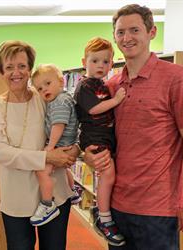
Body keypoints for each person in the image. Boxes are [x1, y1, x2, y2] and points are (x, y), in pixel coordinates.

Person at [84, 4, 183, 250]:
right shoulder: (112, 85)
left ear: (152, 32)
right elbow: (101, 132)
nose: (126, 38)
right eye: (120, 32)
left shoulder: (177, 78)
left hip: (157, 209)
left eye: (134, 30)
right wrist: (88, 155)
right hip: (117, 206)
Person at [0, 40, 77, 250]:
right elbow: (1, 153)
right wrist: (47, 158)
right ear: (0, 71)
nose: (17, 72)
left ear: (30, 68)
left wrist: (74, 151)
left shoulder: (44, 97)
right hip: (16, 197)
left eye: (22, 66)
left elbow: (70, 124)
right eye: (9, 67)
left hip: (55, 192)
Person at [73, 37, 126, 246]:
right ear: (84, 61)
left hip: (104, 136)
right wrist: (116, 101)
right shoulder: (84, 86)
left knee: (109, 176)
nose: (100, 66)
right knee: (108, 176)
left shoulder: (102, 84)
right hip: (94, 138)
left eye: (105, 62)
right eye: (94, 61)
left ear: (111, 64)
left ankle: (101, 210)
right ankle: (104, 218)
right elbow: (94, 109)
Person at [29, 64, 80, 227]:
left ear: (61, 81)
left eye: (48, 83)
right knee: (63, 170)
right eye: (40, 88)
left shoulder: (59, 102)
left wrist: (50, 147)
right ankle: (73, 193)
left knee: (42, 172)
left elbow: (58, 125)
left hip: (60, 143)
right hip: (67, 142)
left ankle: (47, 204)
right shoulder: (63, 98)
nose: (44, 90)